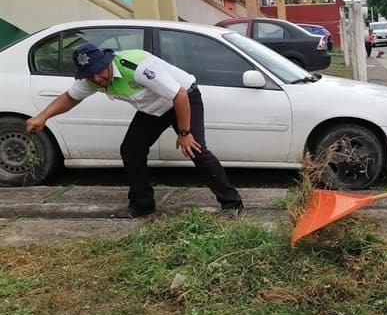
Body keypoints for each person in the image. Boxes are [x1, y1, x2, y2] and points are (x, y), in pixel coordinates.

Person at [25, 43, 244, 219]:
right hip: (153, 108)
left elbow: (180, 95)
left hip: (183, 99)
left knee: (195, 150)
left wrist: (184, 133)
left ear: (107, 62)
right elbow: (70, 98)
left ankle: (231, 204)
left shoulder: (137, 67)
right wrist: (42, 117)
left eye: (99, 72)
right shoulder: (93, 80)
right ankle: (142, 205)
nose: (97, 79)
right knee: (131, 150)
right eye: (89, 75)